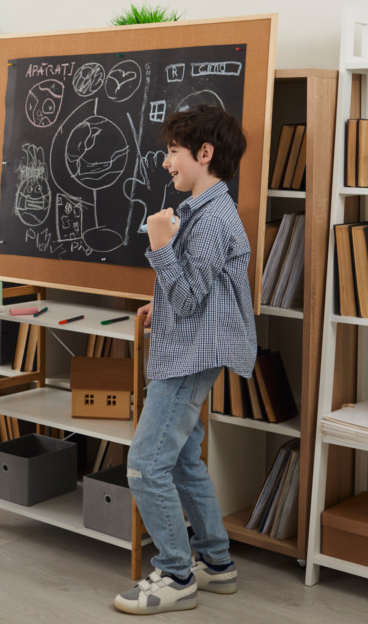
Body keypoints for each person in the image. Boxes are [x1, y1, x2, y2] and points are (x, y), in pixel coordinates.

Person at [113, 105, 257, 616]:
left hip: (186, 361)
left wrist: (159, 247)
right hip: (188, 351)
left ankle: (176, 574)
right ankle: (216, 564)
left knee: (145, 466)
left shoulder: (212, 218)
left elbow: (193, 294)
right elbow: (205, 289)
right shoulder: (206, 211)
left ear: (204, 153)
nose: (165, 162)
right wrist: (162, 302)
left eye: (173, 151)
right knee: (179, 463)